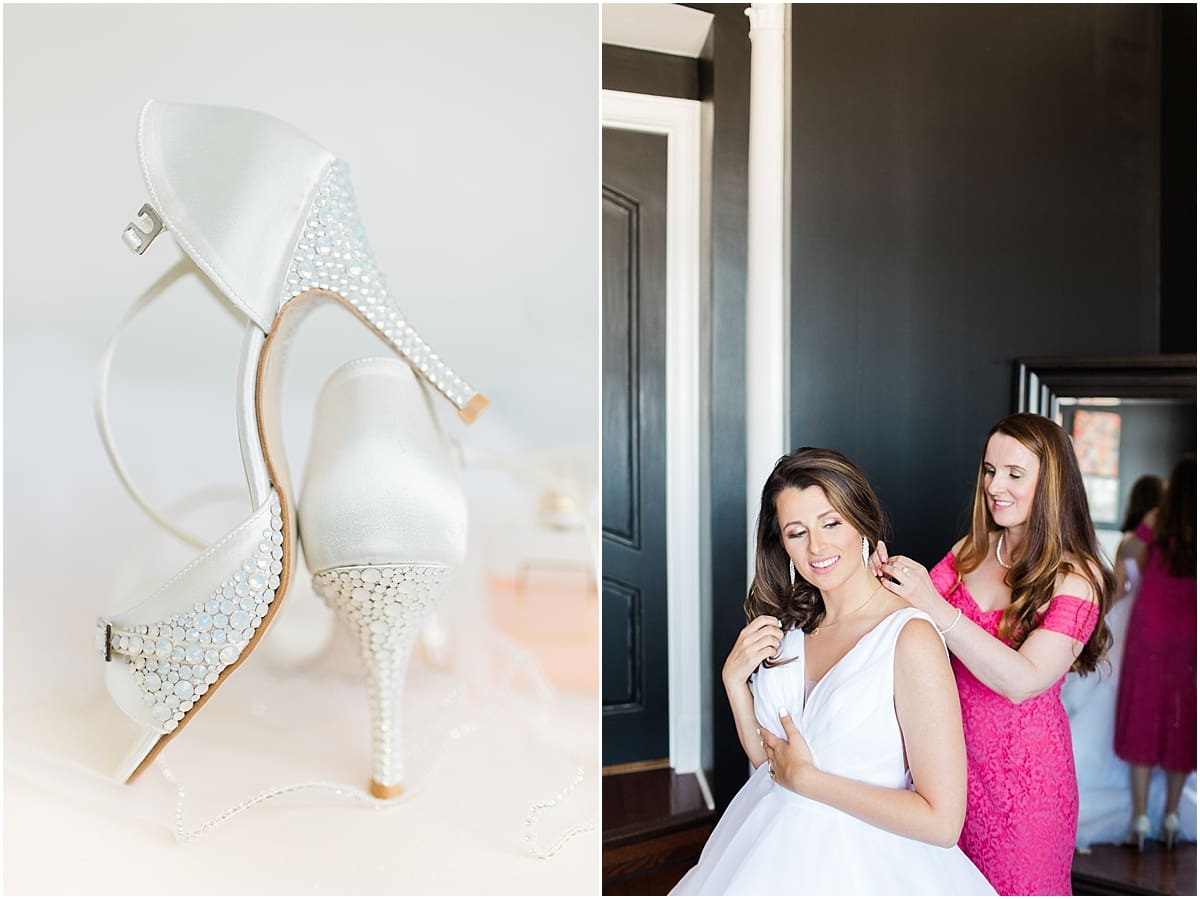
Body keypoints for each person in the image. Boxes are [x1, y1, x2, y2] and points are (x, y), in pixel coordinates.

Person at [672, 448, 993, 895]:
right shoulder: (790, 628)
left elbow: (942, 821)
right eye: (796, 532)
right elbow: (773, 764)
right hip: (765, 852)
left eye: (831, 523)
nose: (816, 547)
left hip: (866, 867)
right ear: (780, 544)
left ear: (861, 521)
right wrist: (733, 682)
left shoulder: (908, 637)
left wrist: (812, 782)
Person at [873, 412, 1115, 896]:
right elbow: (897, 614)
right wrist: (869, 573)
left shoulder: (1077, 578)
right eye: (989, 470)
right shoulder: (970, 550)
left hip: (1024, 783)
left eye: (1014, 474)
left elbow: (1023, 680)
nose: (995, 486)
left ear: (1050, 484)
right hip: (945, 764)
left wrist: (933, 605)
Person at [1061, 474, 1165, 851]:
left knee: (1102, 696)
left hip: (1128, 627)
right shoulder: (1173, 548)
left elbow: (1118, 589)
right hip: (1158, 633)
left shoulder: (1130, 544)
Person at [1113, 454, 1196, 851]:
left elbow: (1127, 552)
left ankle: (1141, 816)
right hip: (1189, 636)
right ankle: (1173, 814)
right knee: (1183, 719)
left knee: (1143, 715)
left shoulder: (1156, 520)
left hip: (1149, 632)